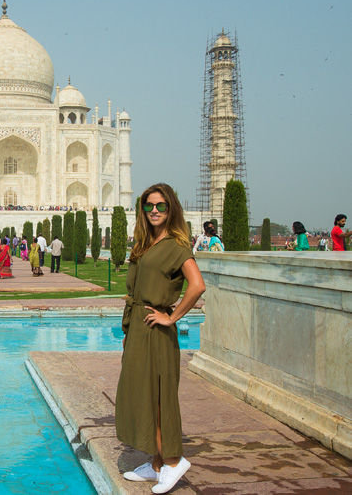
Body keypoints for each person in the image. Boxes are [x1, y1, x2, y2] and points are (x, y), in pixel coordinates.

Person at [116, 183, 205, 494]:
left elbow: (197, 286)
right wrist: (129, 331)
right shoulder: (145, 245)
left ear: (171, 211)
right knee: (141, 394)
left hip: (157, 331)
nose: (154, 210)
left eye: (161, 206)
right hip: (140, 328)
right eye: (149, 205)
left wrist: (171, 316)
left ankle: (173, 460)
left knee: (157, 397)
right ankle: (155, 465)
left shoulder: (176, 246)